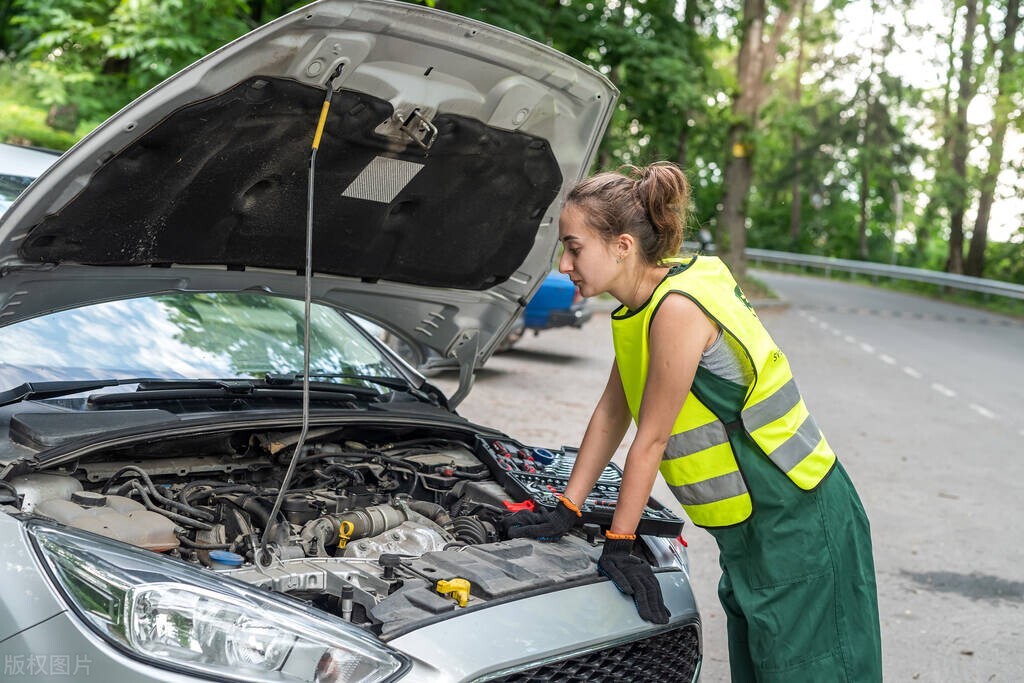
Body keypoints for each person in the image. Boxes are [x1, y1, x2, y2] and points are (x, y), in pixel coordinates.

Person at [504, 161, 882, 681]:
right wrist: (568, 506)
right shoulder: (640, 307)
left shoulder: (678, 310)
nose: (565, 264)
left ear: (622, 246)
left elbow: (651, 437)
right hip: (753, 530)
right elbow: (612, 412)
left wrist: (620, 542)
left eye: (574, 247)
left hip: (799, 520)